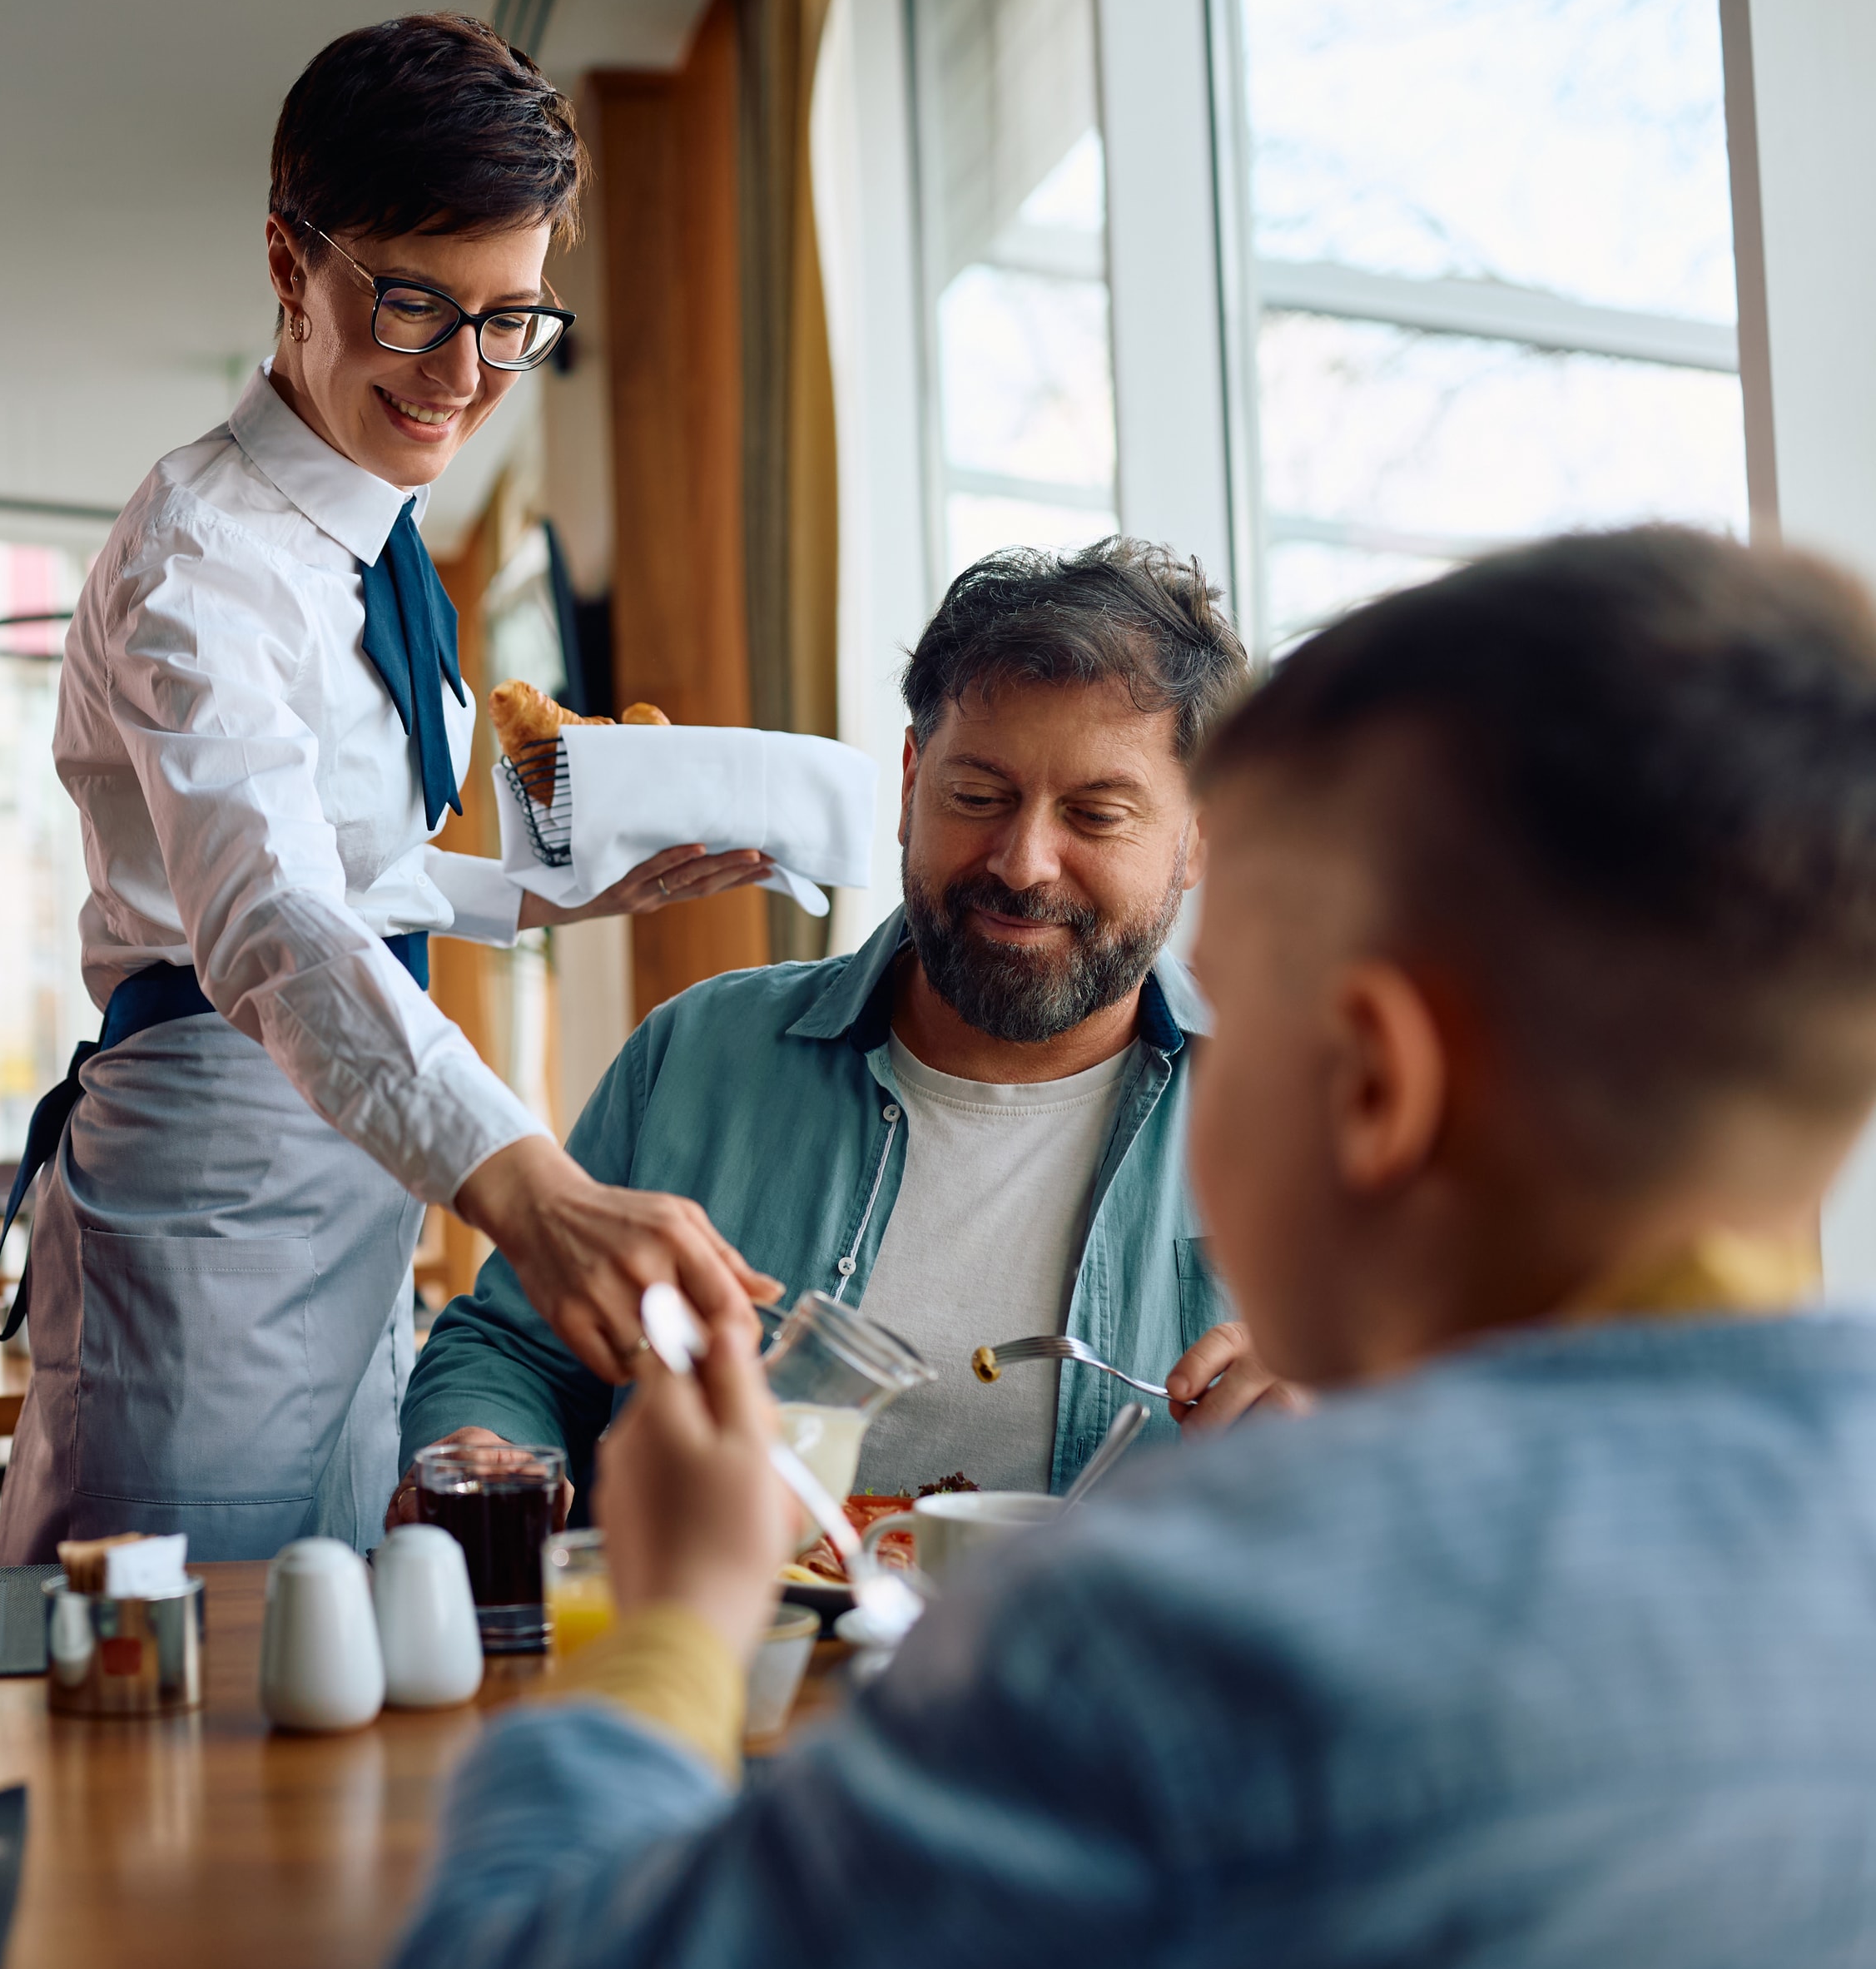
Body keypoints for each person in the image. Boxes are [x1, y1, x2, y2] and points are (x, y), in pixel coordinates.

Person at [384, 524, 1876, 1969]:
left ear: (1371, 1086)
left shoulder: (1163, 1651)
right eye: (978, 793)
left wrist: (672, 1632)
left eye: (1235, 996)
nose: (1027, 861)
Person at [0, 12, 777, 1564]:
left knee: (332, 1622)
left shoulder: (371, 535)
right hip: (224, 1160)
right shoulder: (204, 562)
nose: (462, 376)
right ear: (293, 266)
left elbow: (345, 864)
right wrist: (537, 1196)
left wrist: (542, 894)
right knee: (175, 1667)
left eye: (513, 323)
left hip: (359, 1154)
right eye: (416, 305)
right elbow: (272, 918)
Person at [402, 539, 1290, 1510]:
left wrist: (1359, 1425)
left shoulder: (1300, 1117)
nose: (1025, 861)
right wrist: (481, 1457)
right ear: (910, 785)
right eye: (977, 797)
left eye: (1096, 814)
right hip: (719, 1652)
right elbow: (514, 1352)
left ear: (1198, 835)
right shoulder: (695, 1053)